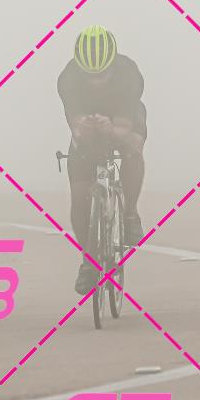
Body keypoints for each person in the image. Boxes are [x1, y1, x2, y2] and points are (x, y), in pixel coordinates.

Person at [57, 25, 146, 294]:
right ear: (80, 70)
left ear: (112, 65)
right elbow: (76, 127)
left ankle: (130, 214)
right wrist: (83, 128)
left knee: (132, 148)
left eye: (102, 75)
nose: (96, 81)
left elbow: (125, 128)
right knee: (79, 195)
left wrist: (113, 129)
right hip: (88, 122)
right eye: (90, 76)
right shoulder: (68, 79)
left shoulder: (128, 73)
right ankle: (89, 261)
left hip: (124, 117)